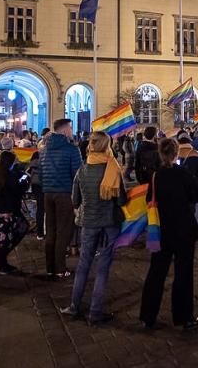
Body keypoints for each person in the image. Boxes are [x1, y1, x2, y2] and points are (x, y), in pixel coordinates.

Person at [60, 132, 128, 325]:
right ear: (108, 146)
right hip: (110, 223)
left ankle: (74, 306)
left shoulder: (82, 170)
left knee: (83, 265)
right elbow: (121, 200)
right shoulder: (113, 168)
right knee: (103, 267)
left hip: (89, 222)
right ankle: (95, 312)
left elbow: (75, 200)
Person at [139, 138, 198, 331]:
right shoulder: (183, 174)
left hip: (162, 229)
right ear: (176, 154)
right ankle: (184, 317)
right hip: (183, 228)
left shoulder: (156, 176)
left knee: (156, 272)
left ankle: (148, 316)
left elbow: (150, 199)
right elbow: (195, 196)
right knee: (183, 273)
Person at [39, 118, 82, 279]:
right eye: (70, 128)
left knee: (51, 230)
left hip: (48, 193)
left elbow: (41, 174)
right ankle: (60, 268)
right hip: (65, 193)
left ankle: (50, 267)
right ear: (65, 131)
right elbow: (78, 175)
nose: (72, 131)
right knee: (64, 231)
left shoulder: (44, 149)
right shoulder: (71, 149)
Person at [0, 150, 29, 275]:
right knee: (15, 233)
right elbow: (18, 191)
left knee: (4, 238)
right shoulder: (10, 176)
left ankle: (2, 262)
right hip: (7, 212)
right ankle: (2, 264)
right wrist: (25, 180)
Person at [177, 133, 198, 206]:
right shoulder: (195, 153)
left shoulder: (174, 153)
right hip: (191, 184)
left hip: (178, 186)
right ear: (189, 141)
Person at [27, 151, 44, 240]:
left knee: (40, 209)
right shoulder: (48, 155)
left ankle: (40, 233)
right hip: (46, 185)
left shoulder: (35, 155)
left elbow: (30, 172)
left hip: (36, 186)